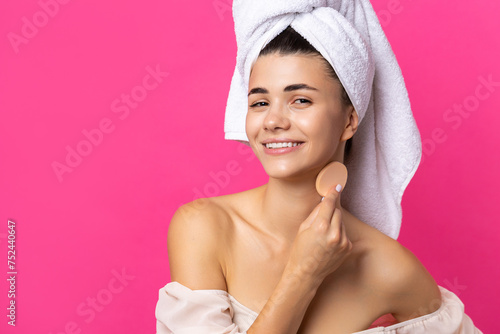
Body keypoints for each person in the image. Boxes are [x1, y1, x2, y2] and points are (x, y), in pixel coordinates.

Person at [156, 1, 482, 333]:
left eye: (301, 100)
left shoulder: (388, 268)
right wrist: (303, 273)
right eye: (260, 102)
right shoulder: (205, 228)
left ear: (349, 120)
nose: (273, 121)